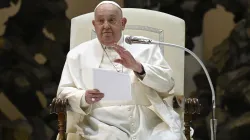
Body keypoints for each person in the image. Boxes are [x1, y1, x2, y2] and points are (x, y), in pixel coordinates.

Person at [57, 1, 184, 140]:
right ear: (94, 25)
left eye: (112, 20)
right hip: (100, 124)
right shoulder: (77, 55)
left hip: (147, 122)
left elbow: (168, 84)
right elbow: (63, 93)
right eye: (101, 21)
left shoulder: (146, 47)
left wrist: (138, 68)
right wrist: (83, 97)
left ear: (123, 23)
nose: (106, 26)